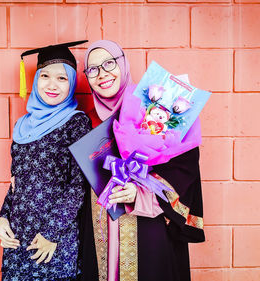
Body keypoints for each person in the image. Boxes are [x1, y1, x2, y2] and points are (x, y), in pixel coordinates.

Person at [80, 40, 205, 281]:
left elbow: (185, 167)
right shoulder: (87, 121)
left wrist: (141, 193)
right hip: (102, 232)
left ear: (123, 64)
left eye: (109, 63)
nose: (102, 74)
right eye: (92, 69)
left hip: (149, 230)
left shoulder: (154, 107)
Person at [0, 40, 92, 281]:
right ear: (36, 79)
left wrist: (52, 234)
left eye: (62, 78)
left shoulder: (76, 123)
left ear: (72, 83)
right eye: (45, 76)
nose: (52, 85)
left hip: (54, 242)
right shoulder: (22, 126)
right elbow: (16, 182)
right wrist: (3, 218)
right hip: (17, 238)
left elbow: (78, 186)